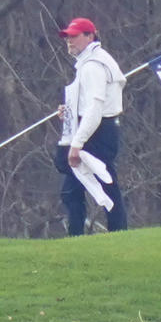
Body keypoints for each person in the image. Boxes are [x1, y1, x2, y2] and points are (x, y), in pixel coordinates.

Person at [54, 17, 128, 235]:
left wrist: (76, 145)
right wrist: (69, 111)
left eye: (75, 36)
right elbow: (88, 103)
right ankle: (87, 234)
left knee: (103, 184)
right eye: (67, 36)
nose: (69, 40)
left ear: (90, 36)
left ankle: (114, 232)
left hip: (97, 133)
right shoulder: (92, 62)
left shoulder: (93, 66)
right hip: (99, 130)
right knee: (74, 189)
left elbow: (95, 109)